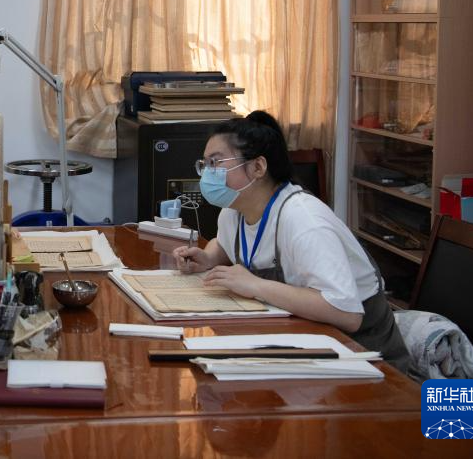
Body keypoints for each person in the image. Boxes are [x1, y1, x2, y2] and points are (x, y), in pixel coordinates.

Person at [173, 111, 410, 371]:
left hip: (364, 355)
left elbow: (347, 313)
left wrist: (256, 285)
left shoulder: (304, 220)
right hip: (302, 337)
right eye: (205, 164)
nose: (207, 174)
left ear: (258, 167)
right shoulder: (234, 210)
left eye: (216, 163)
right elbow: (226, 243)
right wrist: (208, 257)